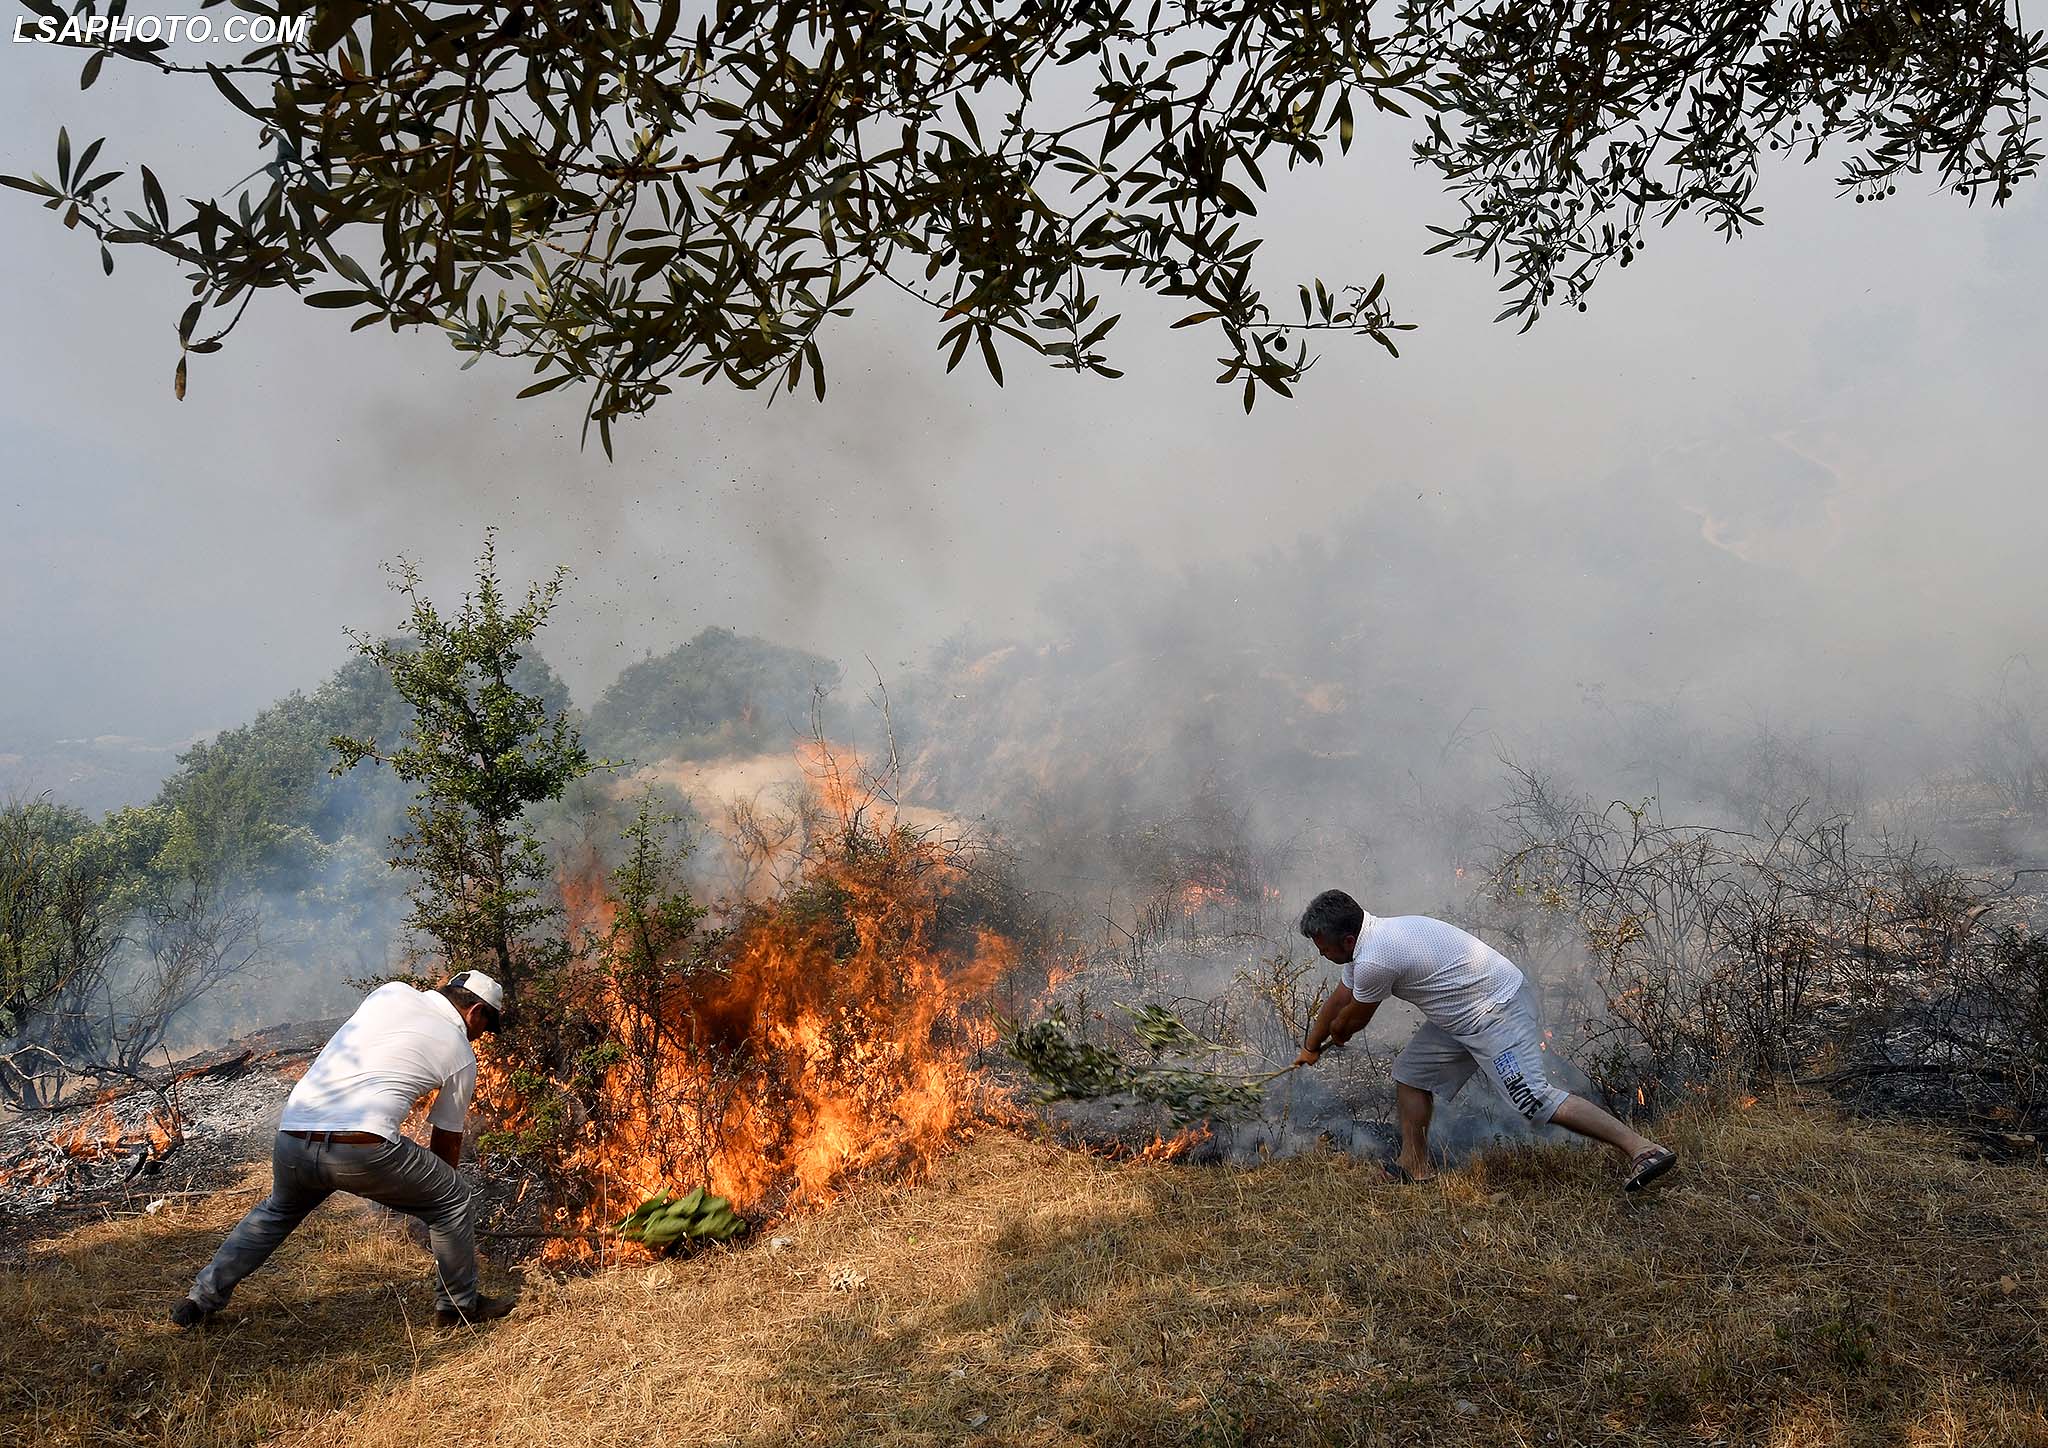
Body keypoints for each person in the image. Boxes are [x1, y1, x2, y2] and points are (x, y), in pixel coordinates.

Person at [168, 971, 517, 1329]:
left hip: (294, 1134)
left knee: (277, 1211)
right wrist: (437, 1196)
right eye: (485, 1028)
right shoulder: (460, 1053)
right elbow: (446, 1138)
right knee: (454, 1198)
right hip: (361, 1148)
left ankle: (201, 1298)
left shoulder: (390, 993)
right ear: (475, 1012)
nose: (480, 1038)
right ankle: (459, 1307)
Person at [1291, 889, 1678, 1191]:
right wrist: (1310, 1047)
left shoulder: (1376, 957)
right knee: (1411, 1074)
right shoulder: (1368, 943)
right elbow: (1339, 1001)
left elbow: (1348, 1024)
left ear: (1345, 939)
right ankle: (1415, 1167)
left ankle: (1643, 1149)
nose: (1319, 951)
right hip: (1459, 1015)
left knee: (1534, 1099)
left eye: (1321, 944)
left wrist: (1334, 1037)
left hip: (1496, 1011)